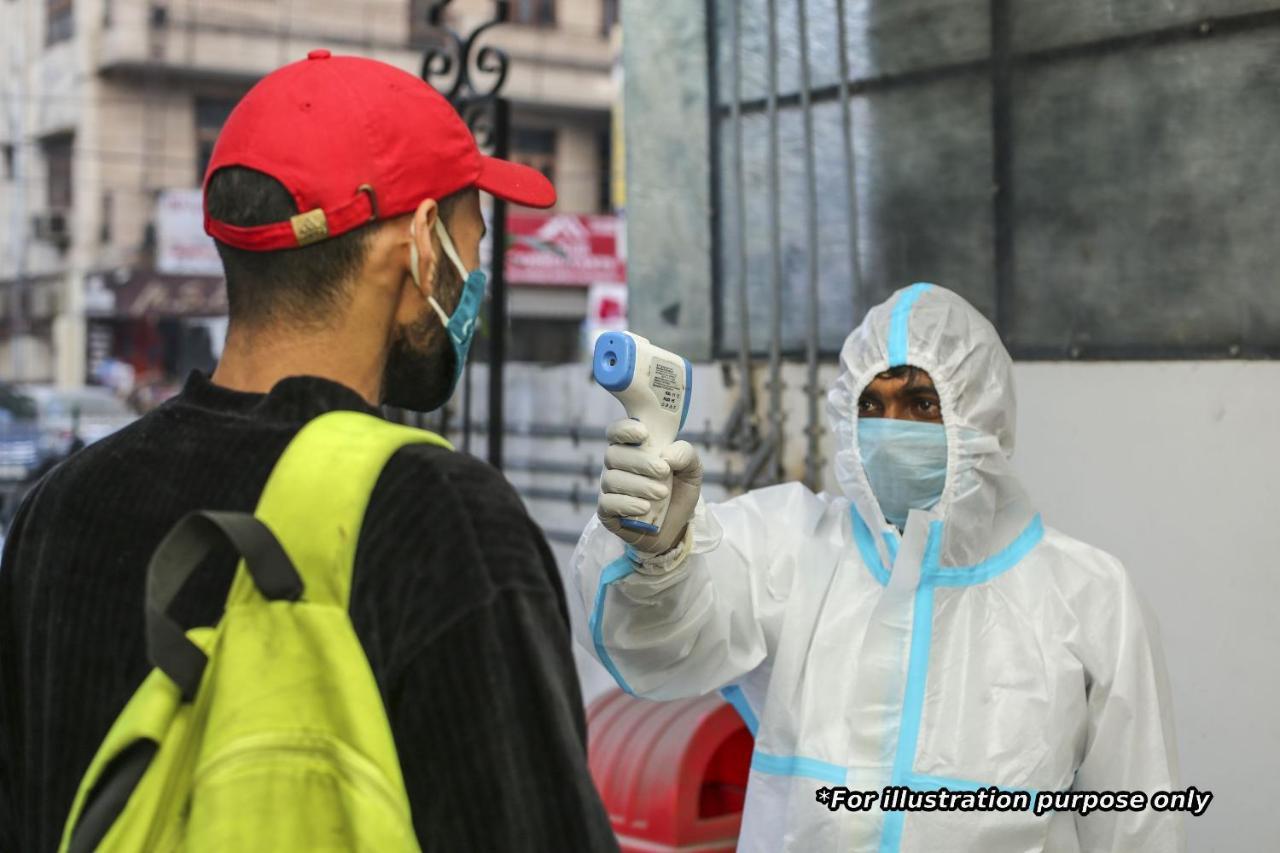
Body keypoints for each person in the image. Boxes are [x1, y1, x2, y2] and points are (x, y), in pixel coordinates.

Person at [0, 52, 617, 852]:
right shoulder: (436, 517)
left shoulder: (58, 508)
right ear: (425, 245)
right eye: (476, 237)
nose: (478, 277)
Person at [574, 283, 1183, 852]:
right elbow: (661, 648)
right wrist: (661, 552)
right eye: (872, 404)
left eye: (922, 402)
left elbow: (1140, 824)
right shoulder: (796, 547)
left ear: (982, 416)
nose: (892, 429)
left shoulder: (1088, 596)